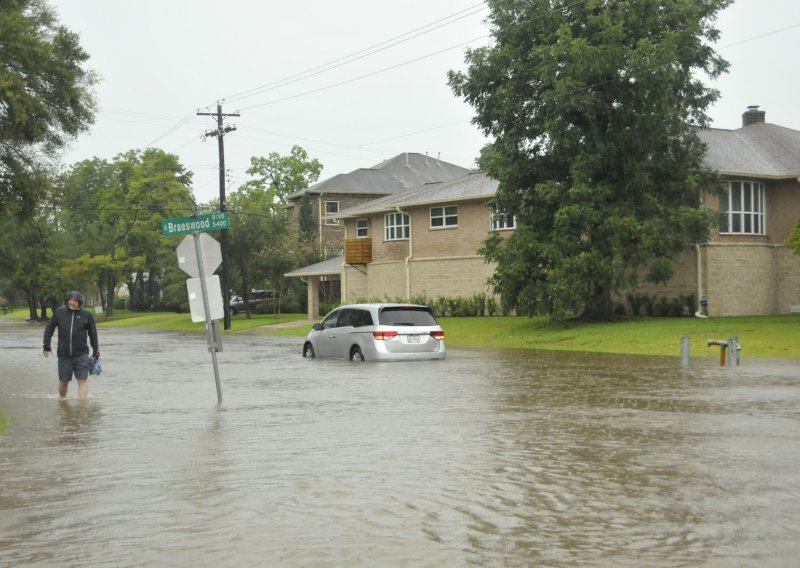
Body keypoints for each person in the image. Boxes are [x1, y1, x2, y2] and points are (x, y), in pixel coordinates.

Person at [43, 291, 100, 401]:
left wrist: (95, 349)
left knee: (82, 381)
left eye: (74, 300)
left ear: (79, 302)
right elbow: (49, 328)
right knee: (64, 382)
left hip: (81, 354)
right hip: (64, 355)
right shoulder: (60, 312)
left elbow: (93, 333)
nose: (71, 302)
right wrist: (46, 346)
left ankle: (83, 408)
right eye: (69, 300)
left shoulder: (87, 315)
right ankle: (62, 400)